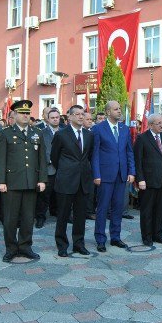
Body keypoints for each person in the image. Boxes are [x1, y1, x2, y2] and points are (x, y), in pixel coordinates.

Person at [0, 100, 46, 263]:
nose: (25, 116)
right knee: (10, 218)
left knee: (27, 217)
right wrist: (1, 181)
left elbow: (42, 159)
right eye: (22, 113)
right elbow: (1, 159)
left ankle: (25, 246)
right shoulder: (5, 133)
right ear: (14, 115)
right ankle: (11, 249)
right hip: (11, 182)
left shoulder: (37, 133)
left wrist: (42, 179)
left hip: (31, 181)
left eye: (28, 113)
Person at [51, 105, 94, 257]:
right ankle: (62, 245)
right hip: (66, 180)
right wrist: (66, 169)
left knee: (80, 215)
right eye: (77, 114)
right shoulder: (61, 135)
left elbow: (89, 156)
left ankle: (78, 244)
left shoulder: (89, 135)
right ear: (69, 117)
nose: (81, 117)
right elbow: (54, 158)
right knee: (63, 215)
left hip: (83, 181)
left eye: (82, 114)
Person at [91, 101, 135, 252]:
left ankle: (115, 237)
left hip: (122, 174)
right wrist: (96, 174)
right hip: (105, 175)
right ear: (108, 112)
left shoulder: (124, 129)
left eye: (120, 108)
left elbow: (129, 151)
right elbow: (95, 153)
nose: (119, 111)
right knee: (103, 208)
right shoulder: (98, 129)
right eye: (116, 109)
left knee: (118, 207)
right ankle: (100, 239)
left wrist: (131, 171)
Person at [134, 113, 162, 246]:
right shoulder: (142, 138)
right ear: (150, 125)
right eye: (158, 123)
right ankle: (147, 237)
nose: (161, 125)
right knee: (147, 210)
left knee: (161, 210)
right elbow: (138, 161)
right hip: (148, 181)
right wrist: (140, 179)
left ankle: (158, 234)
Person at [36, 108, 61, 228]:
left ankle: (57, 213)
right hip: (48, 168)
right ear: (48, 119)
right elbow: (41, 151)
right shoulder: (42, 133)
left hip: (62, 169)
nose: (55, 119)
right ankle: (40, 217)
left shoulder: (64, 132)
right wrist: (50, 160)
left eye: (57, 117)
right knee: (44, 196)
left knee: (60, 194)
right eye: (53, 117)